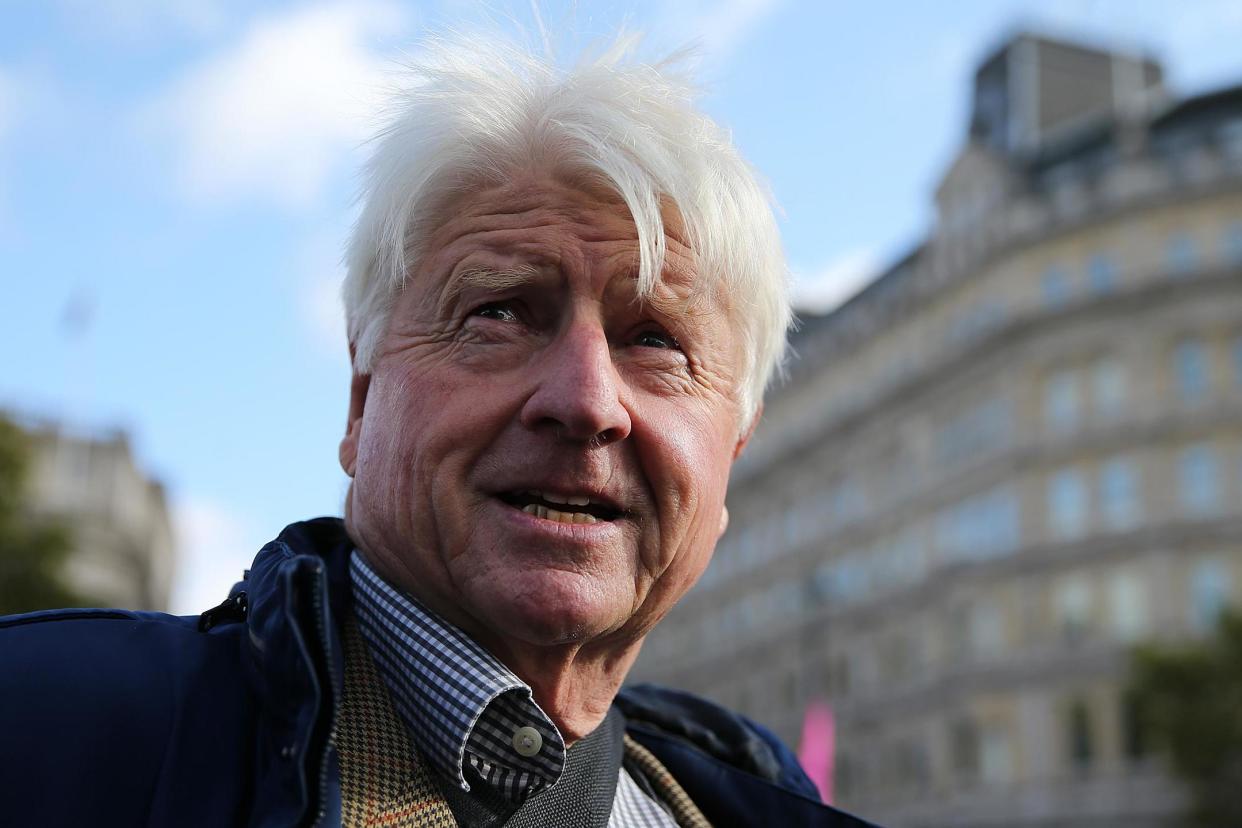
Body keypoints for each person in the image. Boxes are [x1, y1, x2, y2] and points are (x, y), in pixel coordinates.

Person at [0, 35, 877, 828]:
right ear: (360, 400)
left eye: (655, 340)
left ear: (731, 458)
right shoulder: (39, 730)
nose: (586, 401)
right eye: (499, 312)